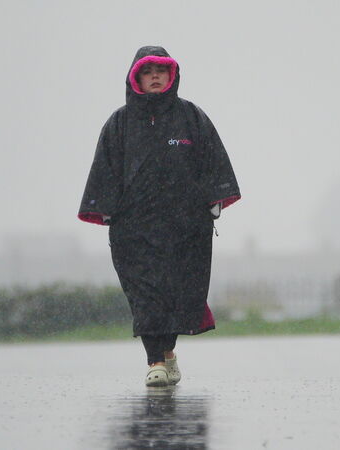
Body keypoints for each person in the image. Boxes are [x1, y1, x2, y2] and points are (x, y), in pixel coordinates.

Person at [78, 46, 240, 387]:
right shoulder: (119, 123)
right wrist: (103, 207)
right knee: (146, 296)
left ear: (172, 75)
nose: (154, 76)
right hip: (133, 229)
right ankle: (155, 361)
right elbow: (105, 169)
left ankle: (167, 353)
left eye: (160, 70)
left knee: (179, 295)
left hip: (187, 227)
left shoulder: (192, 117)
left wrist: (214, 200)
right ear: (135, 78)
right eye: (147, 71)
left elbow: (213, 161)